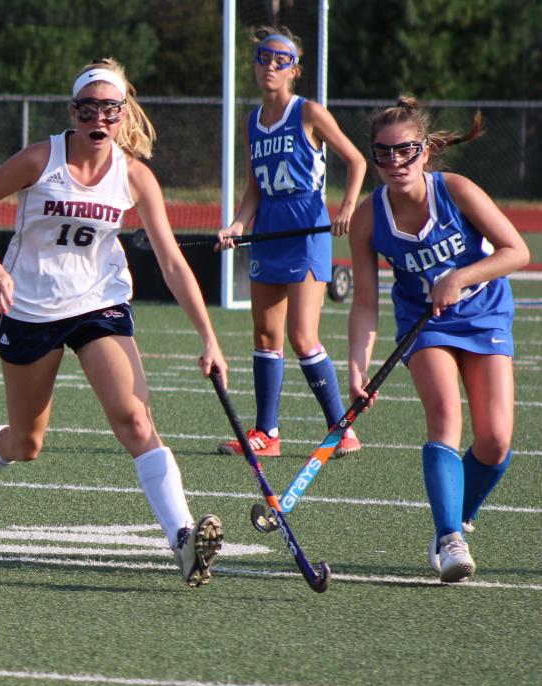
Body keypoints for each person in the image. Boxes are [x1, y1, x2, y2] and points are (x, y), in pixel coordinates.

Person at [0, 59, 229, 587]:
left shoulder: (136, 178)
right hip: (30, 307)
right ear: (72, 112)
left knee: (135, 421)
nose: (98, 119)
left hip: (100, 303)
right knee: (27, 444)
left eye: (109, 108)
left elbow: (172, 262)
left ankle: (184, 540)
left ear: (123, 114)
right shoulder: (39, 159)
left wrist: (209, 338)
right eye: (87, 108)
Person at [346, 96, 527, 583]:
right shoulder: (368, 217)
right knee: (446, 414)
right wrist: (357, 366)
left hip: (485, 313)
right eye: (383, 153)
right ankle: (449, 538)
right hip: (423, 325)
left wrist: (462, 277)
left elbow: (517, 251)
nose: (394, 162)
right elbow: (364, 302)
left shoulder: (457, 190)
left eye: (405, 150)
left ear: (424, 150)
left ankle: (457, 516)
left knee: (494, 441)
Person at [215, 27, 367, 459]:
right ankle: (267, 434)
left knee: (302, 335)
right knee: (265, 335)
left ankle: (342, 429)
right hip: (269, 229)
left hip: (306, 226)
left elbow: (356, 161)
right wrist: (237, 225)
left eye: (280, 60)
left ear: (295, 70)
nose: (269, 66)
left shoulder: (309, 113)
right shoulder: (251, 121)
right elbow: (254, 188)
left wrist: (347, 208)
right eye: (263, 57)